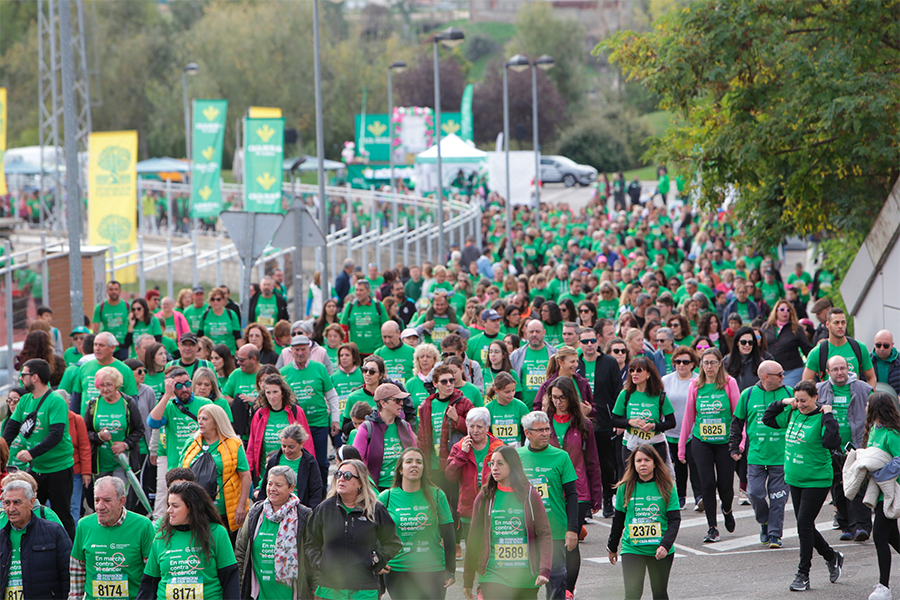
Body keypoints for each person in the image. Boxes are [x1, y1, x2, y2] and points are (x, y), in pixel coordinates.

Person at [762, 380, 844, 592]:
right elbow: (767, 418)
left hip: (816, 479)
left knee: (803, 524)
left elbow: (832, 442)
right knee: (804, 524)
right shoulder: (793, 412)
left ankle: (803, 574)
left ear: (815, 397)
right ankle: (831, 556)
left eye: (804, 400)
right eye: (797, 400)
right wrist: (784, 401)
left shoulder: (821, 417)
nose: (800, 404)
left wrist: (828, 415)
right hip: (795, 478)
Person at [463, 445, 552, 600]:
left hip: (525, 577)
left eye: (500, 463)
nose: (494, 468)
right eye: (492, 464)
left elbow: (544, 534)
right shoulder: (485, 497)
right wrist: (468, 578)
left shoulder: (530, 495)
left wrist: (544, 569)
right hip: (492, 575)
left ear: (513, 465)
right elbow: (473, 539)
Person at [305, 459, 402, 599]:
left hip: (364, 588)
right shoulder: (324, 508)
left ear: (360, 483)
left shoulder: (376, 509)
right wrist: (320, 563)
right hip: (330, 588)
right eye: (338, 474)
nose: (341, 479)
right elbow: (310, 542)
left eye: (348, 476)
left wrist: (375, 560)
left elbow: (393, 542)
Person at [1, 358, 77, 538]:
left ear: (35, 377)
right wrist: (2, 448)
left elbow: (56, 435)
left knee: (61, 514)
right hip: (36, 469)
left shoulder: (55, 401)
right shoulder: (26, 400)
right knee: (31, 511)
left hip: (59, 467)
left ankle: (70, 556)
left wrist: (31, 453)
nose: (21, 379)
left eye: (24, 375)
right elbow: (11, 429)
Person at [544, 377, 602, 596]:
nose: (558, 402)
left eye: (562, 398)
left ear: (571, 398)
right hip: (550, 491)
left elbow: (593, 461)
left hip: (578, 491)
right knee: (553, 541)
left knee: (571, 540)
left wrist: (597, 495)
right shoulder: (544, 422)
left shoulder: (583, 424)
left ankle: (568, 589)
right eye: (554, 398)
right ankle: (555, 586)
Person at [677, 348, 741, 543]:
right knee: (707, 484)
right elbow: (688, 417)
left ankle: (728, 509)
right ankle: (712, 527)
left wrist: (740, 442)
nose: (709, 367)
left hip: (724, 443)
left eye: (713, 362)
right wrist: (681, 446)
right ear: (701, 365)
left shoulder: (729, 383)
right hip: (701, 442)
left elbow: (738, 415)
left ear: (720, 363)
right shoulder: (695, 385)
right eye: (705, 363)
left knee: (725, 486)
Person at [137, 481, 239, 600]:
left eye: (175, 506)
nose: (169, 510)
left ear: (191, 507)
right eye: (169, 505)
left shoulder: (217, 532)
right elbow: (149, 584)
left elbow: (230, 579)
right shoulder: (161, 536)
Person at [729, 359, 792, 548]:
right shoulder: (748, 395)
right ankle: (764, 522)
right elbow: (737, 422)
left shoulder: (789, 393)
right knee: (755, 493)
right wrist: (733, 446)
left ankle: (775, 534)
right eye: (779, 374)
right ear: (766, 377)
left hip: (782, 456)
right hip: (756, 455)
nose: (783, 377)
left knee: (778, 497)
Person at [378, 447, 456, 600]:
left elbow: (449, 535)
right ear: (400, 469)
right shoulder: (385, 498)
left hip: (432, 570)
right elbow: (373, 534)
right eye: (409, 461)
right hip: (398, 570)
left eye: (419, 462)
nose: (414, 465)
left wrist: (450, 570)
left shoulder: (437, 495)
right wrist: (378, 562)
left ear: (423, 468)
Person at [606, 444, 681, 600]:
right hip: (632, 549)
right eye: (638, 460)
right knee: (632, 594)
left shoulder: (667, 486)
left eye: (647, 460)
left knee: (660, 594)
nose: (643, 464)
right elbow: (618, 520)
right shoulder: (624, 488)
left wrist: (665, 545)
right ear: (633, 464)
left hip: (660, 550)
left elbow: (675, 520)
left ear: (655, 463)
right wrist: (612, 547)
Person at [517, 411, 578, 600]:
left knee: (556, 581)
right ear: (527, 433)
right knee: (526, 584)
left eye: (547, 429)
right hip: (524, 530)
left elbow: (572, 495)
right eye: (539, 430)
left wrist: (572, 529)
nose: (545, 433)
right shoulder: (516, 457)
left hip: (555, 530)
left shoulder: (561, 457)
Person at [235, 465, 314, 600]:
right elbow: (241, 552)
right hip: (259, 593)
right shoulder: (256, 513)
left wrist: (314, 589)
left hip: (292, 594)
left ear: (291, 487)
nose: (272, 489)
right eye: (270, 484)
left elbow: (313, 556)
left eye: (278, 485)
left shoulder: (304, 516)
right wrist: (239, 587)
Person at [69, 476, 155, 600]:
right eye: (97, 500)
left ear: (121, 501)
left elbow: (152, 572)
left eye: (107, 500)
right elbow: (77, 569)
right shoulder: (84, 525)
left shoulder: (143, 525)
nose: (100, 507)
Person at [817, 355, 874, 541]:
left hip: (856, 447)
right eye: (835, 369)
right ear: (827, 372)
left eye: (843, 368)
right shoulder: (819, 390)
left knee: (858, 487)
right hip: (832, 448)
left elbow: (875, 414)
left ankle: (862, 527)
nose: (840, 372)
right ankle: (846, 526)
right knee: (839, 490)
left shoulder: (863, 388)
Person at [146, 367, 212, 519]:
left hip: (199, 464)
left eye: (187, 384)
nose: (184, 389)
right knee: (172, 506)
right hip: (176, 465)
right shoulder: (169, 406)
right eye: (178, 385)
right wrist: (167, 395)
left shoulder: (205, 403)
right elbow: (153, 422)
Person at [180, 404, 252, 533]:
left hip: (224, 510)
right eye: (199, 418)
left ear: (216, 422)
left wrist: (241, 506)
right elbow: (180, 472)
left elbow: (245, 476)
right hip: (195, 508)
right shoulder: (191, 442)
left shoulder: (233, 444)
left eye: (205, 419)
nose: (200, 422)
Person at [279, 335, 340, 486]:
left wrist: (335, 419)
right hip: (295, 427)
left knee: (321, 461)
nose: (300, 353)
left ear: (309, 350)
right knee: (298, 462)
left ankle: (322, 492)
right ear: (291, 351)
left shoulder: (319, 368)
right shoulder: (284, 372)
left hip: (318, 422)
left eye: (303, 350)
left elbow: (332, 395)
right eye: (297, 350)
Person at [576, 325, 623, 518]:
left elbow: (619, 393)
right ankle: (586, 504)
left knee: (606, 464)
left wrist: (619, 420)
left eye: (592, 341)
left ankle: (607, 500)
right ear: (579, 344)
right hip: (580, 423)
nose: (589, 345)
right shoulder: (576, 364)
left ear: (598, 340)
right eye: (585, 342)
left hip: (604, 421)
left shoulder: (609, 362)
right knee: (583, 463)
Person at [0, 479, 72, 599]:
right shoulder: (2, 537)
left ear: (31, 502)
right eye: (7, 503)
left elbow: (68, 575)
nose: (11, 509)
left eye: (17, 502)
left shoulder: (54, 532)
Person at [446, 407, 504, 551]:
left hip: (494, 506)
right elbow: (450, 476)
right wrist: (462, 454)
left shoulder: (498, 447)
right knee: (473, 551)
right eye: (471, 426)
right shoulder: (459, 447)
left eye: (479, 426)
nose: (475, 430)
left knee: (492, 549)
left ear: (487, 427)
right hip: (469, 507)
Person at [861, 392, 900, 600]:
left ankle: (884, 587)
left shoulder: (892, 433)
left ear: (876, 408)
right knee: (893, 537)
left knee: (879, 536)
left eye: (868, 404)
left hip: (891, 492)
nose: (865, 406)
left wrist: (879, 473)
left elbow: (899, 459)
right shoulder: (875, 429)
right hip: (879, 492)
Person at [247, 373, 316, 479]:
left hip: (292, 470)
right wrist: (249, 470)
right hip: (266, 471)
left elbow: (307, 442)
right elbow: (252, 445)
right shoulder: (259, 414)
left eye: (275, 392)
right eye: (268, 392)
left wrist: (311, 467)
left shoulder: (296, 411)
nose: (272, 396)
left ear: (282, 393)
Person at [85, 366, 145, 483]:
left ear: (116, 384)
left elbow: (139, 429)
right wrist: (99, 437)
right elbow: (85, 432)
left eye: (109, 384)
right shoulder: (93, 404)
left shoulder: (128, 403)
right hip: (100, 463)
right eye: (102, 385)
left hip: (123, 461)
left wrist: (125, 444)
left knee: (119, 495)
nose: (105, 389)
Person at [353, 383, 417, 491]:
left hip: (403, 488)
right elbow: (355, 462)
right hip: (375, 490)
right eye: (397, 400)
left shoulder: (405, 426)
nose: (401, 403)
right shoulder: (366, 428)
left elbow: (415, 454)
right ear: (383, 403)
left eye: (402, 400)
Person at [610, 356, 675, 464]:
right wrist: (630, 422)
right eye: (632, 370)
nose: (634, 373)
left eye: (639, 370)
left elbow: (671, 422)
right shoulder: (625, 394)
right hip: (630, 445)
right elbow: (614, 420)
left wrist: (653, 426)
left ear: (648, 374)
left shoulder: (659, 395)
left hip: (655, 445)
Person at [661, 346, 702, 511]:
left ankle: (699, 497)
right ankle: (680, 497)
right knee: (678, 466)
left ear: (693, 364)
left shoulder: (699, 380)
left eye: (685, 362)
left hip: (693, 432)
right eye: (677, 362)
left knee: (694, 463)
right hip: (671, 431)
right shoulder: (665, 380)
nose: (681, 365)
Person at [802, 307, 877, 387]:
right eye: (836, 323)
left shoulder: (859, 348)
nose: (840, 326)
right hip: (828, 398)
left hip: (854, 397)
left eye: (843, 322)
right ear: (827, 324)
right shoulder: (818, 352)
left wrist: (868, 397)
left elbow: (871, 378)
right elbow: (806, 384)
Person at [69, 332, 138, 415]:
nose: (97, 348)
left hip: (114, 423)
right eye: (95, 345)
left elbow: (133, 403)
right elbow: (76, 399)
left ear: (112, 347)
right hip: (87, 424)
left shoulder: (124, 370)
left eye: (101, 345)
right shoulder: (84, 367)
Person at [257, 424, 322, 508]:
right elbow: (264, 485)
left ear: (301, 443)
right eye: (284, 446)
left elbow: (315, 492)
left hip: (298, 509)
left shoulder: (310, 463)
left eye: (291, 447)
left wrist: (310, 514)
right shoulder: (274, 460)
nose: (286, 450)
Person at [762, 300, 812, 387]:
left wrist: (814, 365)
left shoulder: (796, 328)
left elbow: (806, 349)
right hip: (771, 371)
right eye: (782, 309)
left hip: (792, 369)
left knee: (787, 392)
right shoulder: (766, 327)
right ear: (776, 311)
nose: (785, 312)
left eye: (788, 310)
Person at [511, 320, 559, 410]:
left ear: (544, 332)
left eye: (537, 331)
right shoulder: (516, 355)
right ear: (526, 332)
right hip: (524, 409)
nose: (534, 334)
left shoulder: (555, 353)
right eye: (531, 331)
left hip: (549, 408)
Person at [341, 280, 390, 355]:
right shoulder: (350, 305)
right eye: (356, 290)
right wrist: (346, 348)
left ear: (368, 291)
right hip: (356, 353)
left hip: (376, 352)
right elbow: (343, 327)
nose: (358, 293)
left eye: (361, 290)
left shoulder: (378, 305)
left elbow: (386, 327)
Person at [223, 344, 262, 439]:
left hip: (261, 429)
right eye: (237, 359)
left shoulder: (266, 372)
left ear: (253, 359)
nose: (238, 362)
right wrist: (239, 403)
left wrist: (254, 401)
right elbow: (224, 397)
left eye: (242, 360)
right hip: (240, 431)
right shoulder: (236, 374)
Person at [484, 372, 530, 447]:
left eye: (513, 390)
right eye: (507, 392)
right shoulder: (488, 408)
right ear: (496, 390)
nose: (511, 394)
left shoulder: (521, 406)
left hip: (516, 448)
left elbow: (527, 431)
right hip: (495, 448)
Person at [91, 280, 130, 359]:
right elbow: (95, 328)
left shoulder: (127, 305)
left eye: (116, 289)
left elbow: (132, 323)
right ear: (107, 291)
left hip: (122, 345)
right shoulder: (100, 307)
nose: (114, 292)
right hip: (106, 346)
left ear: (120, 291)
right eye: (111, 289)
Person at [197, 287, 243, 353]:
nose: (215, 302)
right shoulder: (205, 314)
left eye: (218, 299)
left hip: (228, 353)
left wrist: (242, 352)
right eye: (213, 299)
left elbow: (237, 336)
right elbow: (199, 335)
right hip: (210, 353)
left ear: (223, 300)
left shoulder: (231, 314)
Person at [375, 321, 416, 385]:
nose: (387, 341)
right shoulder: (378, 353)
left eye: (390, 337)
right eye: (384, 337)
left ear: (399, 333)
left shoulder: (412, 351)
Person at [872, 329, 900, 397]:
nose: (882, 348)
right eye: (878, 345)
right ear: (874, 343)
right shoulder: (867, 361)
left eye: (886, 346)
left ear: (892, 345)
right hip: (874, 402)